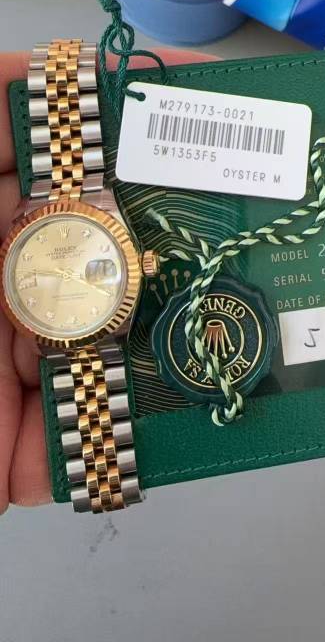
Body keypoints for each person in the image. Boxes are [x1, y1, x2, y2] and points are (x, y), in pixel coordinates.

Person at [0, 46, 215, 513]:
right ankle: (102, 480)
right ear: (145, 262)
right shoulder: (35, 232)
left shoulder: (93, 206)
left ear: (142, 262)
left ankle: (102, 480)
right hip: (56, 321)